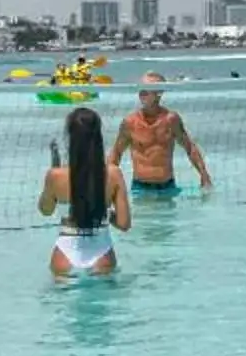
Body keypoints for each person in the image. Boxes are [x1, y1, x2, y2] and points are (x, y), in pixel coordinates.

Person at [38, 105, 132, 276]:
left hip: (65, 252)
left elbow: (45, 210)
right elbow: (124, 225)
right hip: (101, 251)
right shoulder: (113, 174)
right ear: (98, 137)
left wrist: (53, 175)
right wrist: (104, 212)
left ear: (70, 137)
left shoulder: (55, 176)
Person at [109, 84, 211, 198]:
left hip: (168, 186)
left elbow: (190, 147)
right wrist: (107, 181)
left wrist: (204, 175)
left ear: (158, 94)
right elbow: (116, 153)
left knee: (169, 215)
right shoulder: (130, 122)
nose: (141, 94)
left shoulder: (171, 120)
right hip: (141, 188)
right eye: (141, 90)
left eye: (146, 91)